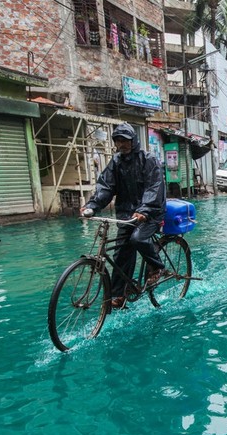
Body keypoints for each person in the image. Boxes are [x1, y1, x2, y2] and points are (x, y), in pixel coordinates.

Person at [80, 122, 167, 309]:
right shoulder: (116, 162)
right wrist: (92, 206)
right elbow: (106, 187)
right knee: (121, 253)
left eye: (125, 141)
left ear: (133, 140)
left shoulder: (148, 159)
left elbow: (154, 188)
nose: (122, 145)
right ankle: (119, 294)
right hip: (127, 215)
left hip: (151, 212)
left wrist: (145, 210)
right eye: (118, 141)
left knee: (137, 239)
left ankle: (158, 266)